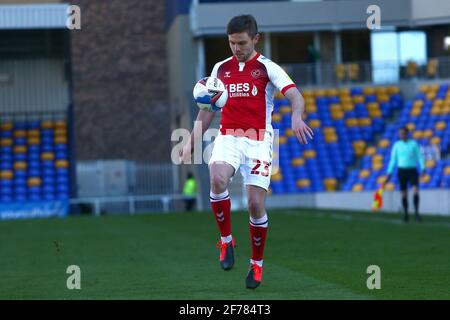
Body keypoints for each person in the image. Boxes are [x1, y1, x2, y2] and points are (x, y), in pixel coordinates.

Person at [179, 14, 313, 289]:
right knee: (217, 179)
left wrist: (296, 117)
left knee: (254, 204)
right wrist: (191, 141)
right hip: (228, 136)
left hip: (258, 140)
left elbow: (295, 95)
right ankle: (226, 241)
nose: (236, 48)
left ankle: (256, 265)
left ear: (255, 39)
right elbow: (208, 111)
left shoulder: (267, 68)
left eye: (241, 42)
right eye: (231, 43)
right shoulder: (220, 69)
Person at [384, 126, 425, 222]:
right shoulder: (397, 145)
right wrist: (389, 173)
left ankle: (416, 213)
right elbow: (393, 160)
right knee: (404, 194)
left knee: (415, 190)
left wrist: (423, 168)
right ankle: (406, 214)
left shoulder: (413, 144)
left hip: (412, 171)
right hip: (402, 171)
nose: (401, 135)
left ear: (407, 134)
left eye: (402, 133)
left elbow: (419, 157)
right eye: (400, 133)